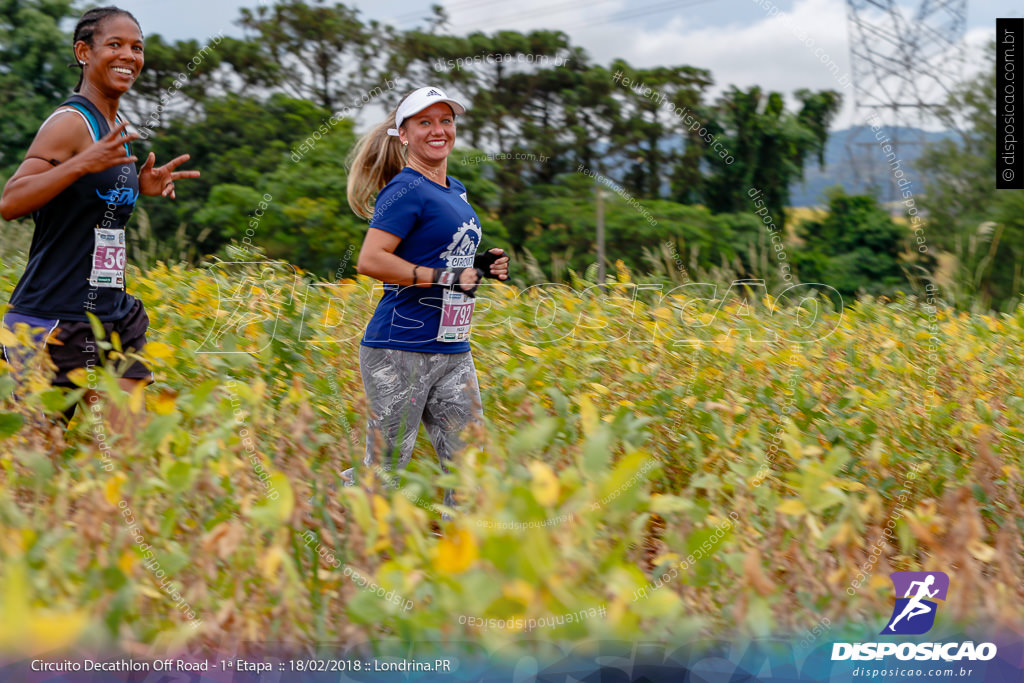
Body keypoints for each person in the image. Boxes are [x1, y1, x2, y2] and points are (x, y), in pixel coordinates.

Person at [0, 6, 199, 429]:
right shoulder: (69, 124)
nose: (129, 55)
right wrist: (80, 164)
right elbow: (11, 201)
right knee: (33, 463)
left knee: (126, 459)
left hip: (111, 315)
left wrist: (138, 186)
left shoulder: (117, 126)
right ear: (83, 52)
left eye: (137, 47)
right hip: (53, 320)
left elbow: (89, 210)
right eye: (115, 45)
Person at [346, 86, 509, 512]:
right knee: (385, 471)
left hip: (453, 346)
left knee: (469, 463)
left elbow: (436, 255)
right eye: (425, 122)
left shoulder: (455, 189)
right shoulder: (404, 190)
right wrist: (447, 276)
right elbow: (371, 260)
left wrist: (480, 264)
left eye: (446, 121)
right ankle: (327, 524)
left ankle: (463, 562)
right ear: (403, 134)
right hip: (399, 346)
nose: (439, 130)